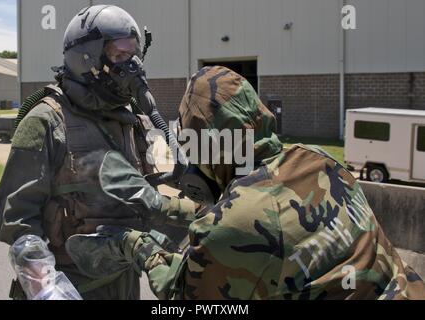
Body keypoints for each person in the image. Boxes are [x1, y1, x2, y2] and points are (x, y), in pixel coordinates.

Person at [67, 66, 425, 300]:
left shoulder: (232, 226)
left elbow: (182, 295)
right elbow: (260, 211)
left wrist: (137, 245)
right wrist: (164, 205)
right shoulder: (319, 159)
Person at [0, 4, 195, 300]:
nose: (132, 67)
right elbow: (17, 222)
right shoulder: (47, 121)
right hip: (73, 286)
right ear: (86, 57)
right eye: (119, 56)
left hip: (124, 281)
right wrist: (46, 288)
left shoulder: (129, 120)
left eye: (133, 56)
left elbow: (141, 197)